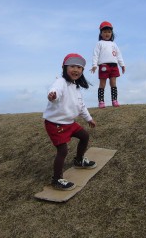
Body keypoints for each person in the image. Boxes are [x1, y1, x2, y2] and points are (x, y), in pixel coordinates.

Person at [43, 53, 97, 191]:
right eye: (72, 66)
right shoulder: (60, 82)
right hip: (56, 123)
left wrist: (89, 118)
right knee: (63, 150)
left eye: (79, 67)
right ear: (64, 67)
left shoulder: (76, 86)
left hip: (69, 123)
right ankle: (57, 179)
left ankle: (79, 160)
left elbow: (81, 105)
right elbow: (55, 91)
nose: (76, 70)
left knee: (84, 136)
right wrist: (52, 95)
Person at [90, 21, 126, 108]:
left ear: (112, 33)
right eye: (105, 32)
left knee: (113, 83)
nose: (107, 34)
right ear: (101, 33)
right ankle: (101, 101)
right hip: (104, 66)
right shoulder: (99, 44)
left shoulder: (114, 44)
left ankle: (114, 100)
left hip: (114, 65)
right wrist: (94, 65)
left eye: (109, 32)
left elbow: (118, 55)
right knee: (102, 84)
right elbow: (95, 55)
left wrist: (122, 65)